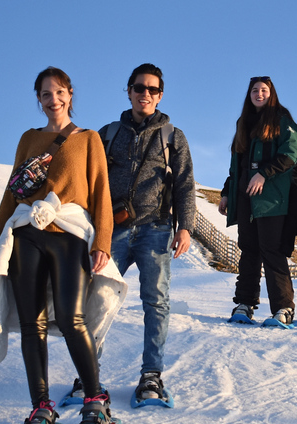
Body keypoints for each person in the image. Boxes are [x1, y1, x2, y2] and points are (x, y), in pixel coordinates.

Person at [0, 67, 124, 424]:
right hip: (26, 233)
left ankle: (95, 400)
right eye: (45, 94)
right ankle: (41, 408)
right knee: (32, 323)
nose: (53, 99)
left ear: (70, 94)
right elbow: (12, 193)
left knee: (72, 316)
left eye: (59, 92)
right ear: (39, 100)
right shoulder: (29, 138)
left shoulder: (89, 139)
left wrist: (103, 244)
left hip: (69, 234)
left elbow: (100, 193)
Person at [95, 63, 196, 406]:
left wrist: (185, 227)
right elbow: (90, 182)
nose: (146, 95)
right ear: (129, 91)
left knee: (156, 302)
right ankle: (88, 375)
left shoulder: (172, 136)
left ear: (160, 95)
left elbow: (184, 184)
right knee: (99, 299)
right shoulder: (107, 134)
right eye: (140, 88)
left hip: (155, 228)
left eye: (153, 90)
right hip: (113, 230)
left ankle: (151, 376)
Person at [218, 76, 297, 326]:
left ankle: (283, 308)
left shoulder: (282, 120)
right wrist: (226, 192)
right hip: (245, 199)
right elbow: (238, 165)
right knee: (249, 251)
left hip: (272, 199)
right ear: (249, 94)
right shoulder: (243, 123)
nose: (259, 93)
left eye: (264, 90)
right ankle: (244, 304)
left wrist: (264, 174)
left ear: (271, 93)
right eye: (255, 90)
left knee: (271, 251)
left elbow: (290, 154)